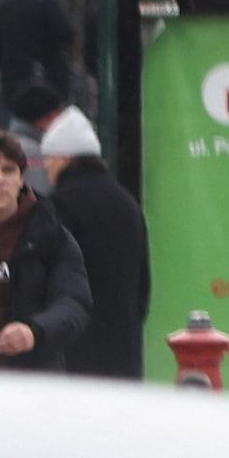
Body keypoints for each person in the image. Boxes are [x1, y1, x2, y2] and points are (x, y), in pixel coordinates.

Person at [0, 129, 90, 371]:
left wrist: (35, 332)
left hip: (32, 386)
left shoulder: (51, 235)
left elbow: (74, 302)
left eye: (9, 170)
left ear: (22, 177)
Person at [37, 108, 146, 383]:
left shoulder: (59, 205)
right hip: (124, 348)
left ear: (64, 159)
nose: (47, 167)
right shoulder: (127, 203)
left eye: (49, 159)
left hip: (76, 353)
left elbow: (50, 274)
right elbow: (143, 283)